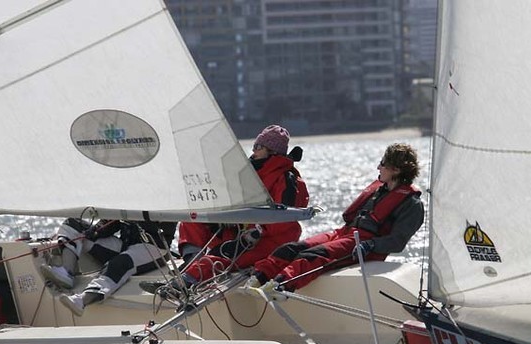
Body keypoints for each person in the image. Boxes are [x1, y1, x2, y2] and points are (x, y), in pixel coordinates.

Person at [140, 124, 309, 299]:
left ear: (272, 151)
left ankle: (181, 285)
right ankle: (192, 262)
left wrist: (252, 232)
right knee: (194, 220)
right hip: (240, 231)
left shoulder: (286, 178)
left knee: (224, 254)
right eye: (254, 146)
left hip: (269, 240)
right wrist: (223, 217)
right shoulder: (251, 171)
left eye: (259, 147)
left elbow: (282, 219)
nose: (254, 151)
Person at [245, 142, 423, 296]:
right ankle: (258, 278)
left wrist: (371, 245)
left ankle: (280, 285)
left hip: (364, 244)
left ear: (396, 170)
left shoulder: (411, 204)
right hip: (345, 234)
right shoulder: (380, 190)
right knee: (290, 248)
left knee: (313, 255)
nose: (378, 168)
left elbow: (398, 242)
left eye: (383, 164)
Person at [41, 218, 177, 316]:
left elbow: (161, 227)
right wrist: (95, 231)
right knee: (72, 225)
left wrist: (135, 213)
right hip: (126, 244)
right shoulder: (128, 193)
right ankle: (66, 272)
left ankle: (81, 301)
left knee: (119, 263)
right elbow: (113, 222)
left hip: (154, 247)